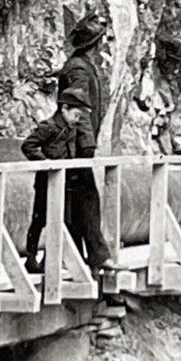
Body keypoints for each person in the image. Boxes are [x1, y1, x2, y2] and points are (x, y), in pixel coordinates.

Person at [21, 87, 112, 273]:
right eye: (76, 115)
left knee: (62, 219)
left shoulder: (71, 128)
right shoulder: (49, 127)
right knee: (39, 219)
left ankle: (50, 259)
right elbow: (28, 145)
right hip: (46, 181)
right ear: (64, 108)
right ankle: (30, 258)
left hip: (64, 183)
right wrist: (44, 162)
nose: (77, 120)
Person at [59, 12, 109, 154]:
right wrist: (87, 144)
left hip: (75, 143)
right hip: (74, 146)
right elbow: (78, 106)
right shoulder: (78, 68)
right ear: (98, 43)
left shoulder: (82, 65)